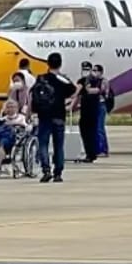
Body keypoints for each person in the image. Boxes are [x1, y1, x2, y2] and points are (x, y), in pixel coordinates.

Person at [30, 52, 76, 183]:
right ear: (60, 64)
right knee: (58, 145)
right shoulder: (63, 80)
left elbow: (32, 95)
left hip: (44, 116)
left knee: (43, 144)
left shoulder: (41, 78)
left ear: (47, 63)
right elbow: (74, 91)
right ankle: (58, 172)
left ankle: (46, 169)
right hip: (58, 115)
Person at [76, 61, 104, 163]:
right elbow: (78, 95)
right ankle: (90, 153)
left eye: (88, 69)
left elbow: (99, 90)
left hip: (93, 109)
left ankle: (91, 154)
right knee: (88, 133)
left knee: (90, 133)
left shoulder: (97, 80)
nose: (85, 71)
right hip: (85, 109)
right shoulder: (83, 81)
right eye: (84, 68)